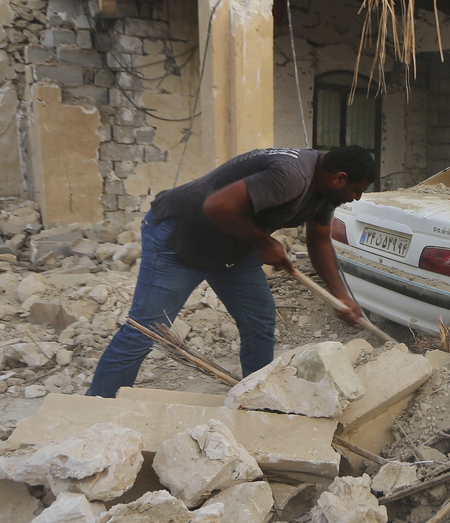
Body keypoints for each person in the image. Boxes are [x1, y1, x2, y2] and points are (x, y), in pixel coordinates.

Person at [86, 145, 375, 398]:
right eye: (357, 190)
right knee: (146, 329)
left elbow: (319, 241)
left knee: (259, 320)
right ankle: (97, 404)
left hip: (232, 243)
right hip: (180, 235)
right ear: (339, 178)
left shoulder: (326, 193)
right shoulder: (292, 175)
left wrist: (342, 297)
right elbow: (217, 205)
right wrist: (265, 243)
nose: (358, 197)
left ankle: (257, 398)